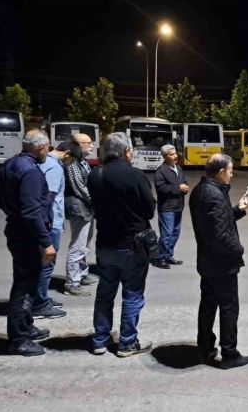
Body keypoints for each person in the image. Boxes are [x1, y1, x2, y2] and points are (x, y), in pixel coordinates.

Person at [87, 133, 156, 357]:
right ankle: (127, 342)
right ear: (127, 151)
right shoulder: (135, 175)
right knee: (133, 293)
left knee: (105, 292)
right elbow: (149, 209)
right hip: (132, 244)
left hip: (105, 243)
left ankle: (100, 339)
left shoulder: (95, 174)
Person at [0, 129, 56, 356]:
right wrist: (46, 242)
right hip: (28, 237)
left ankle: (26, 325)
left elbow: (0, 200)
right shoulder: (30, 171)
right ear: (40, 148)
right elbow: (32, 212)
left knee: (27, 283)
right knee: (25, 287)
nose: (48, 152)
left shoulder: (11, 164)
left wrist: (14, 215)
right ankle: (18, 339)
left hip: (17, 231)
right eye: (47, 148)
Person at [190, 154, 248, 369]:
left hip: (208, 261)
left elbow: (221, 221)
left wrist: (238, 209)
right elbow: (220, 234)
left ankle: (205, 347)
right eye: (230, 170)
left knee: (208, 304)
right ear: (221, 172)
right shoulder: (213, 195)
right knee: (228, 308)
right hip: (221, 263)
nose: (232, 174)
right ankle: (229, 353)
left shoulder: (203, 190)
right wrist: (238, 250)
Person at [32, 142, 76, 319]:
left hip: (49, 222)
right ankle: (40, 305)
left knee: (43, 264)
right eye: (71, 159)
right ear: (67, 154)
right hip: (51, 223)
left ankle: (42, 298)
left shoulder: (45, 162)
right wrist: (48, 225)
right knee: (46, 264)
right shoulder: (54, 167)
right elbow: (48, 198)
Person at [63, 132, 97, 296]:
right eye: (88, 142)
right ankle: (72, 283)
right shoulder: (72, 163)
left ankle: (81, 274)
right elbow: (80, 188)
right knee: (78, 245)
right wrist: (97, 200)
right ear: (78, 145)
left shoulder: (82, 162)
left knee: (85, 244)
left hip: (86, 207)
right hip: (79, 207)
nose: (92, 145)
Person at [152, 144, 189, 269]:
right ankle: (159, 258)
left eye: (175, 153)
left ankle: (168, 255)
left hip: (178, 206)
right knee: (166, 234)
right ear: (165, 157)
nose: (175, 156)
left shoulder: (178, 168)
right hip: (167, 208)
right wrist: (178, 188)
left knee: (175, 233)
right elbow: (161, 188)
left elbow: (184, 181)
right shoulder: (161, 171)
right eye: (171, 154)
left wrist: (185, 187)